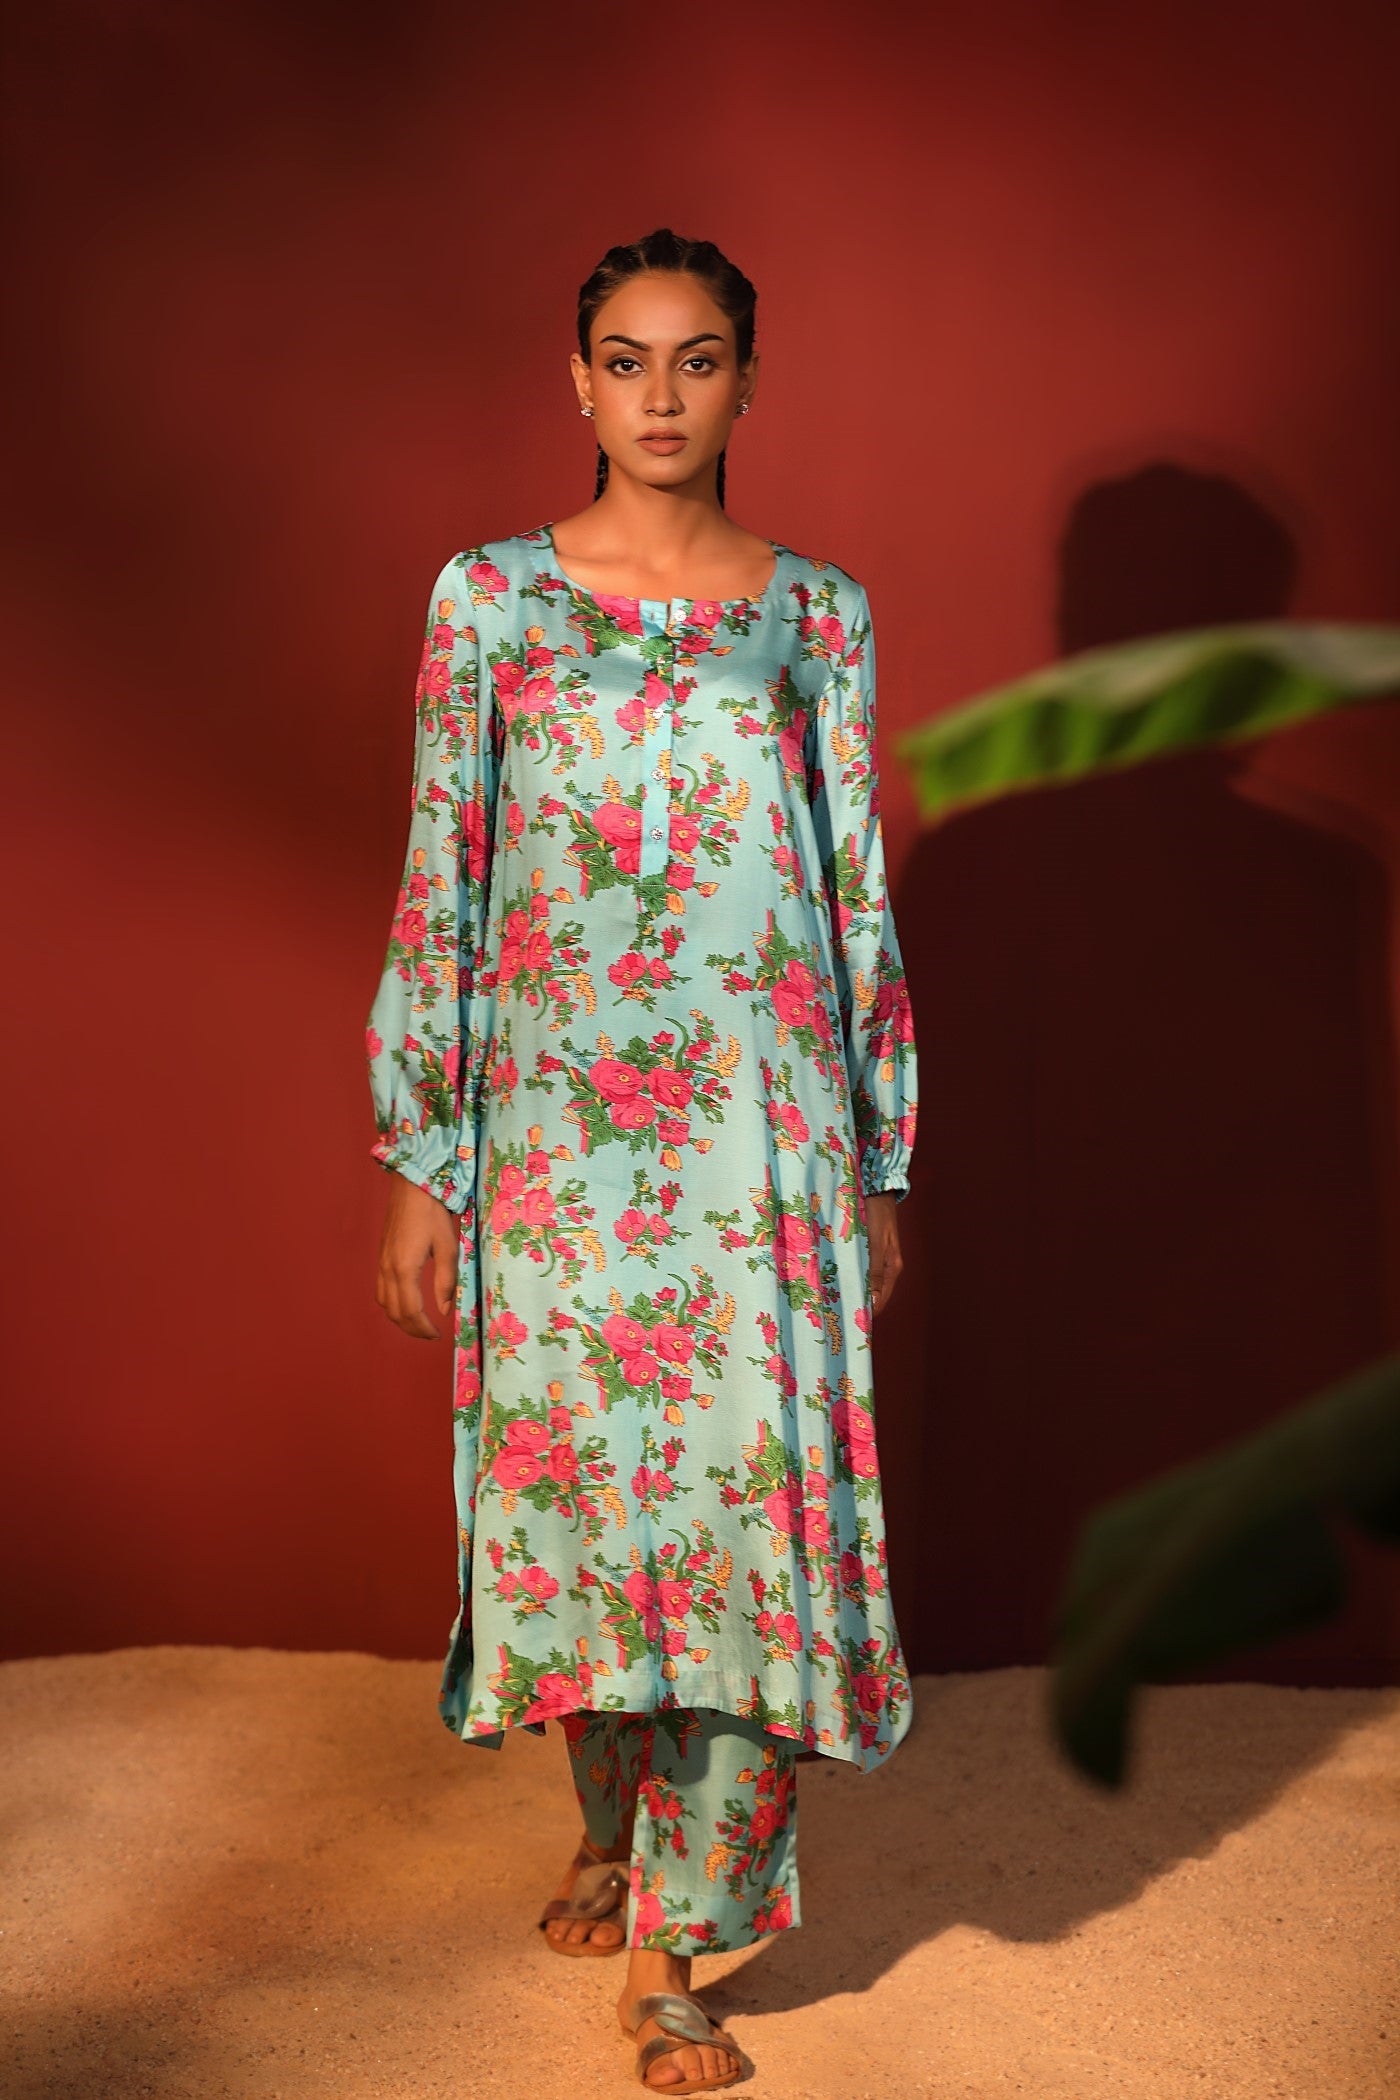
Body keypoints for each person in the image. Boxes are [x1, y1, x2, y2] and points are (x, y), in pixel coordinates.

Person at [365, 226, 918, 2094]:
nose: (662, 396)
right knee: (587, 1507)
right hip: (554, 1144)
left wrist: (881, 1157)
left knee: (739, 1518)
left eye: (698, 360)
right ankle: (609, 1828)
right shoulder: (491, 602)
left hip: (763, 1141)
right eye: (628, 360)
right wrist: (422, 1154)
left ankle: (681, 1944)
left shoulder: (817, 614)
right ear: (578, 382)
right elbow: (444, 871)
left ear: (749, 382)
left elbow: (852, 892)